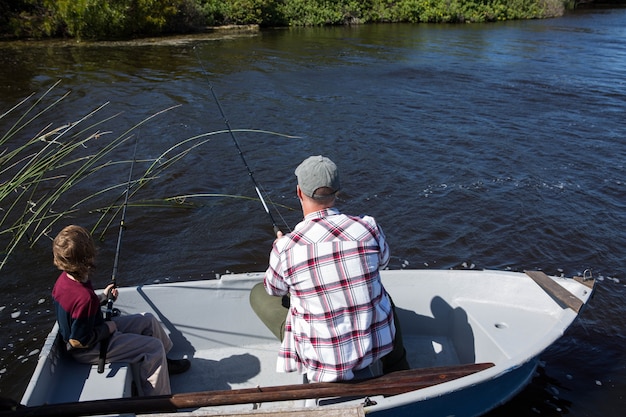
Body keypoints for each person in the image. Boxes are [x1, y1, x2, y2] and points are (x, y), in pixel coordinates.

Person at [250, 155, 409, 383]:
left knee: (258, 293)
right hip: (375, 347)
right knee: (384, 296)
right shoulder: (368, 226)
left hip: (323, 364)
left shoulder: (286, 247)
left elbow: (274, 289)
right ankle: (399, 367)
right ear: (337, 191)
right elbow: (383, 261)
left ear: (298, 192)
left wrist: (278, 248)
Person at [51, 225, 190, 396]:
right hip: (90, 349)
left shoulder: (65, 280)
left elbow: (78, 307)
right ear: (88, 256)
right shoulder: (84, 297)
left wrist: (102, 297)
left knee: (148, 320)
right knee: (153, 347)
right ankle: (158, 400)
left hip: (95, 328)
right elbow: (78, 341)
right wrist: (108, 328)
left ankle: (165, 365)